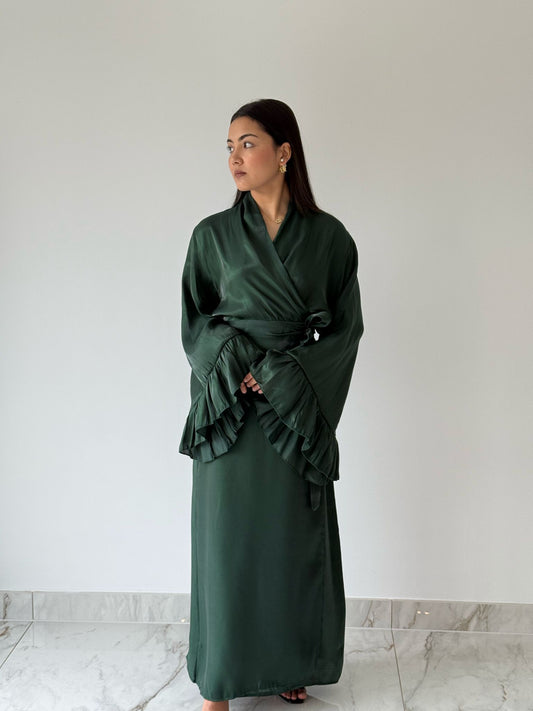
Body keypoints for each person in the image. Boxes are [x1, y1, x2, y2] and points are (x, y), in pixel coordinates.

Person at [179, 98, 364, 710]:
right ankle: (220, 683)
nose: (235, 157)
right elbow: (195, 322)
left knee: (289, 542)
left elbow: (345, 330)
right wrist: (235, 366)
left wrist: (284, 374)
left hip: (291, 412)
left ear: (284, 153)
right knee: (228, 544)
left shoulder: (329, 238)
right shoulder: (211, 236)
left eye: (248, 143)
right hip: (232, 415)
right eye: (229, 147)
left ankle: (288, 662)